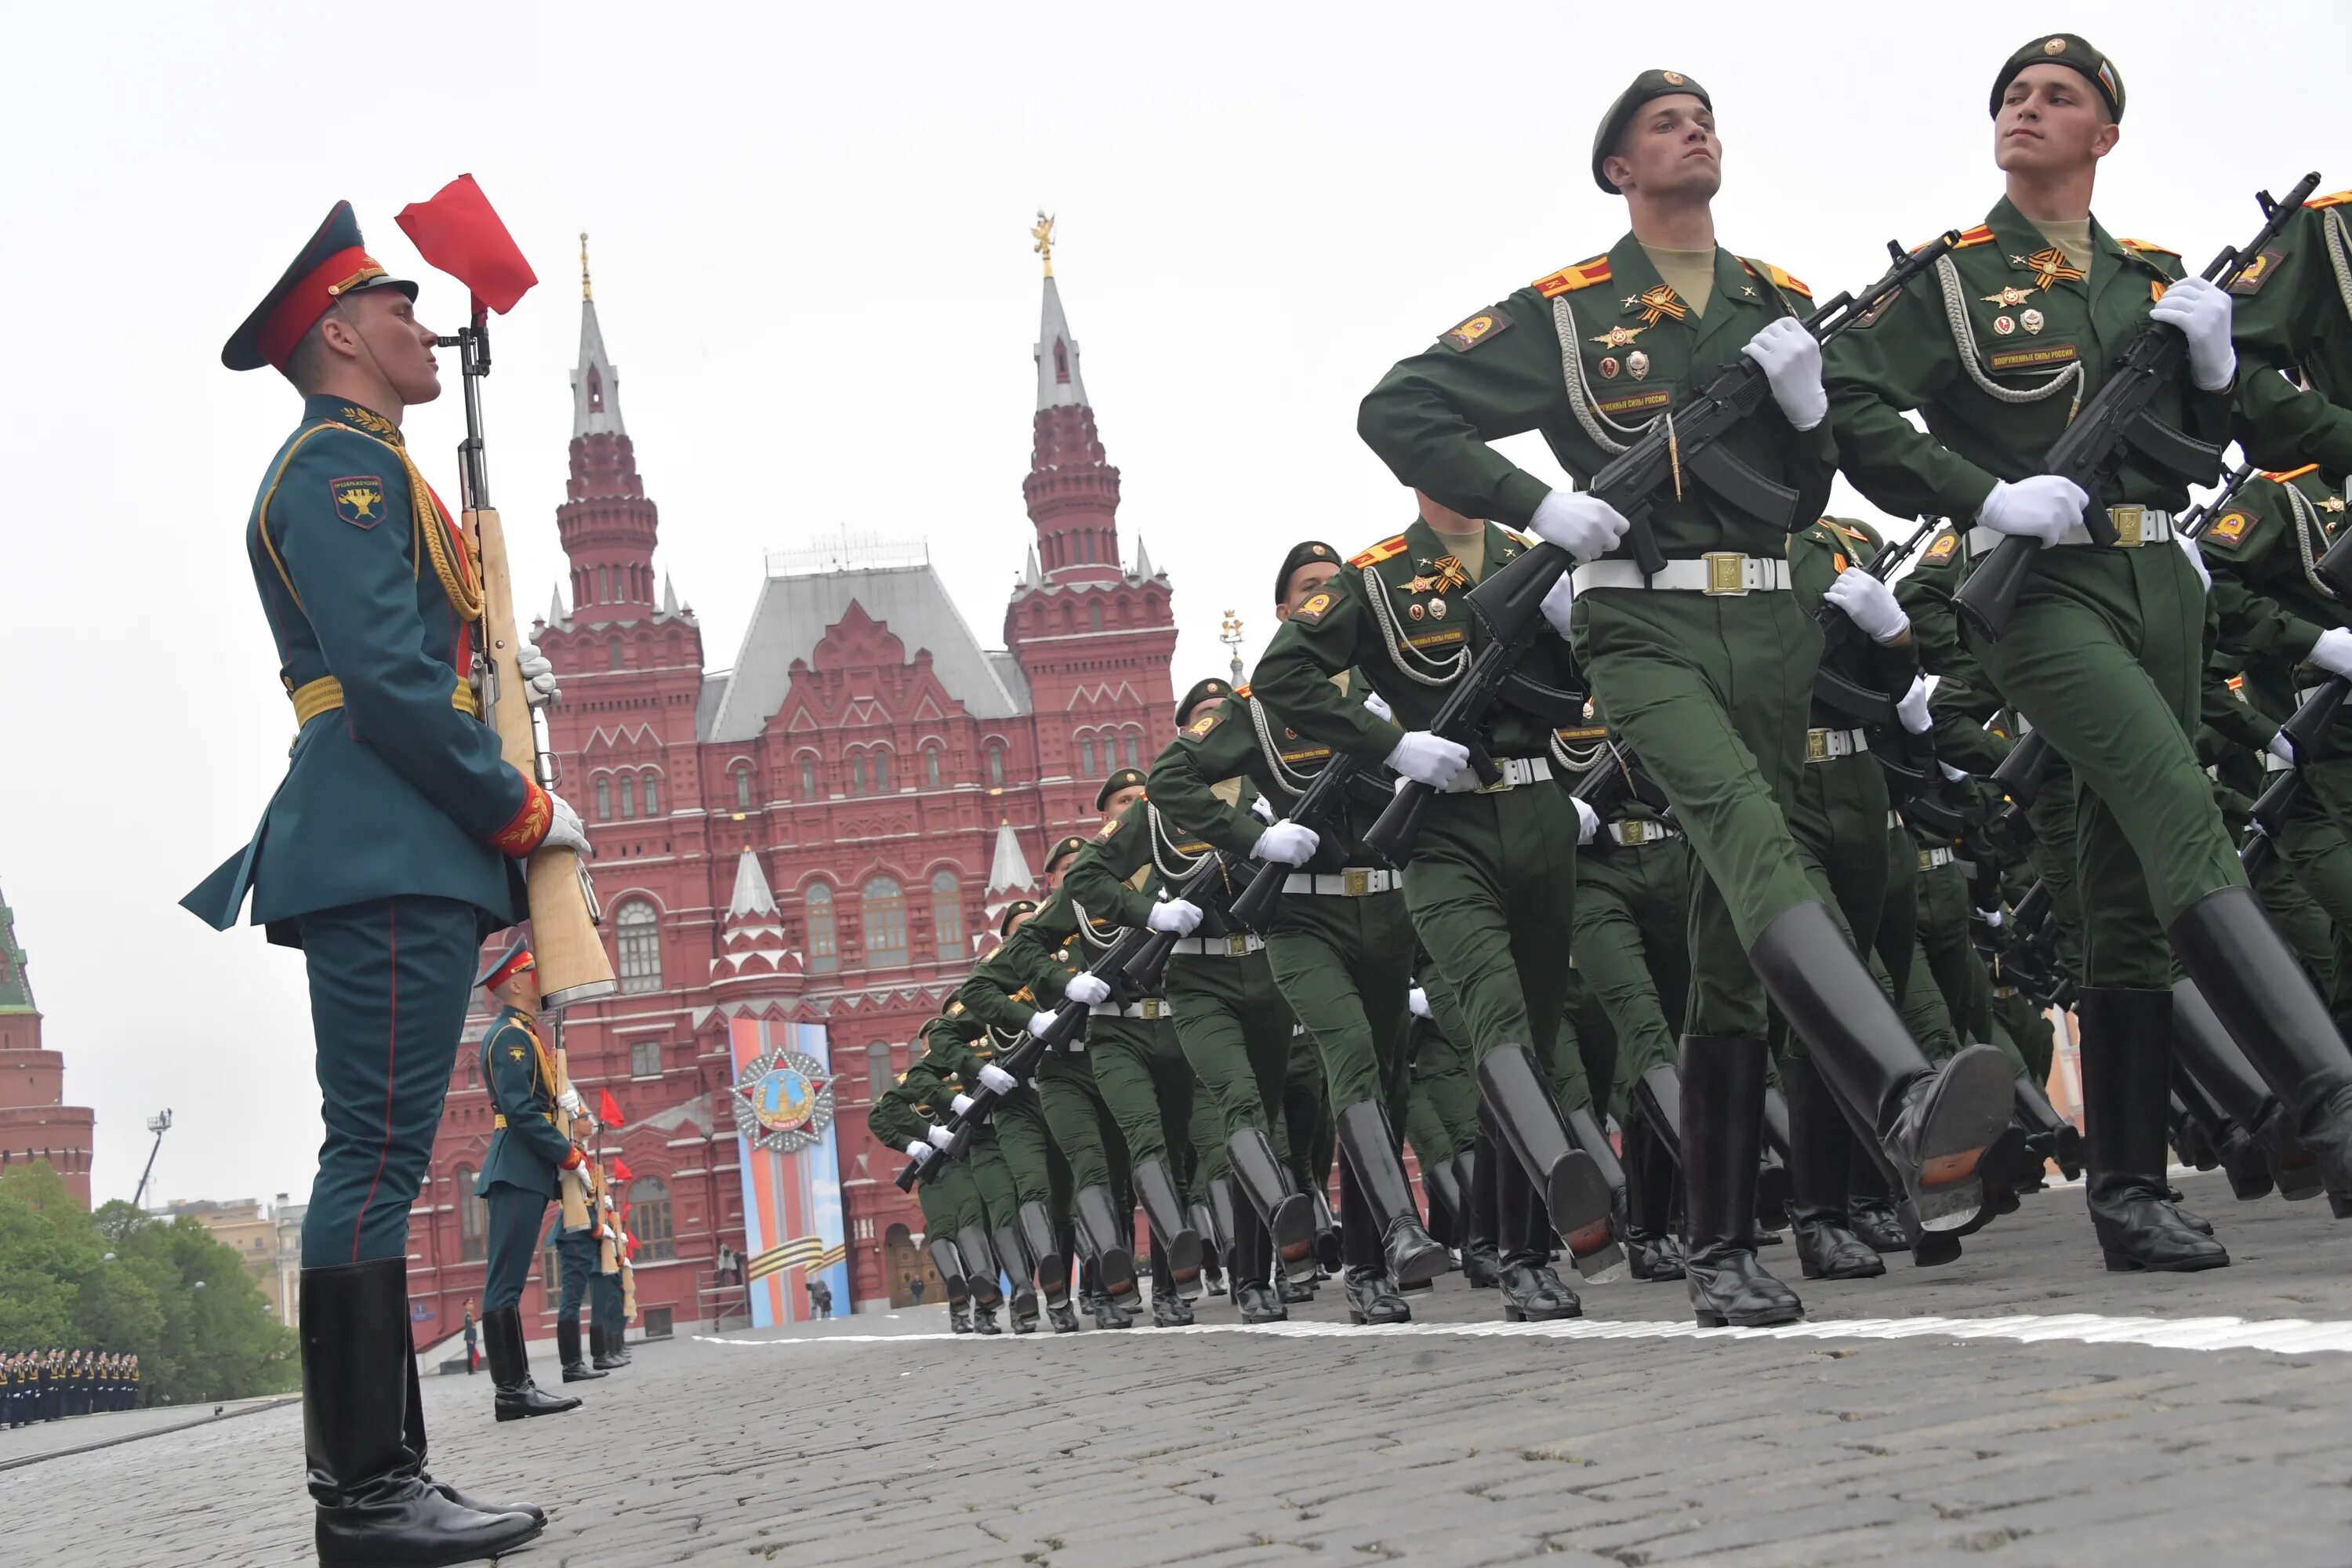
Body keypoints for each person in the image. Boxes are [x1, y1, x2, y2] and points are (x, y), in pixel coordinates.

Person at [1352, 71, 2019, 1327]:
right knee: (1748, 828)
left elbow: (1807, 493)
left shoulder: (1775, 301)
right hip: (1643, 620)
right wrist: (1536, 503)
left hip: (1772, 616)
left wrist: (1812, 407)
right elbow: (1401, 405)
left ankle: (1721, 1251)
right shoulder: (1569, 314)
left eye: (1705, 117)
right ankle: (1898, 1089)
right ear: (1618, 169)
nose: (1694, 130)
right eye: (1664, 123)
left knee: (1727, 941)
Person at [1824, 34, 2352, 1271]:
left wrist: (2221, 365)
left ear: (2105, 136)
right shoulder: (1954, 283)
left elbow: (2281, 422)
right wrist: (1978, 492)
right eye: (2013, 95)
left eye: (2059, 97)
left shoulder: (2158, 283)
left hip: (2162, 579)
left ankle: (2125, 1195)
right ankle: (2328, 1092)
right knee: (2178, 806)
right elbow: (1847, 399)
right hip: (2039, 594)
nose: (2028, 107)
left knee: (2126, 900)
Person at [181, 201, 572, 1563]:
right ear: (340, 333)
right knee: (376, 1157)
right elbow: (396, 684)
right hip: (385, 831)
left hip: (393, 837)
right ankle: (365, 1498)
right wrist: (514, 802)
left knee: (383, 1155)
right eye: (399, 309)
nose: (425, 325)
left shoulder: (374, 464)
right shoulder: (334, 472)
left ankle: (388, 1479)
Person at [1148, 543, 1450, 1327]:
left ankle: (1370, 1262)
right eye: (1311, 592)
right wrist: (1253, 839)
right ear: (1286, 616)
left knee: (1382, 1077)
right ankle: (1394, 1233)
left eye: (1337, 589)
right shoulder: (1257, 709)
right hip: (1302, 916)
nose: (1328, 601)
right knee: (1346, 1052)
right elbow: (1170, 782)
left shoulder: (1400, 681)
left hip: (1385, 908)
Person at [472, 942, 583, 1421]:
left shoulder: (522, 1033)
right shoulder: (510, 1038)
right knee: (504, 1285)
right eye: (533, 973)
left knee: (509, 1284)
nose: (540, 981)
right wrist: (567, 1153)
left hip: (522, 1169)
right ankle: (512, 1391)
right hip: (517, 1168)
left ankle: (517, 1389)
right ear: (515, 983)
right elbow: (519, 1111)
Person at [461, 1303, 478, 1376]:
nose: (472, 1306)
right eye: (470, 1304)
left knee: (471, 1353)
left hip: (472, 1336)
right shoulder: (468, 1316)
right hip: (470, 1337)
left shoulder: (470, 1315)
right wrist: (470, 1337)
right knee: (470, 1353)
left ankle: (472, 1370)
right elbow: (469, 1328)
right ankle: (470, 1371)